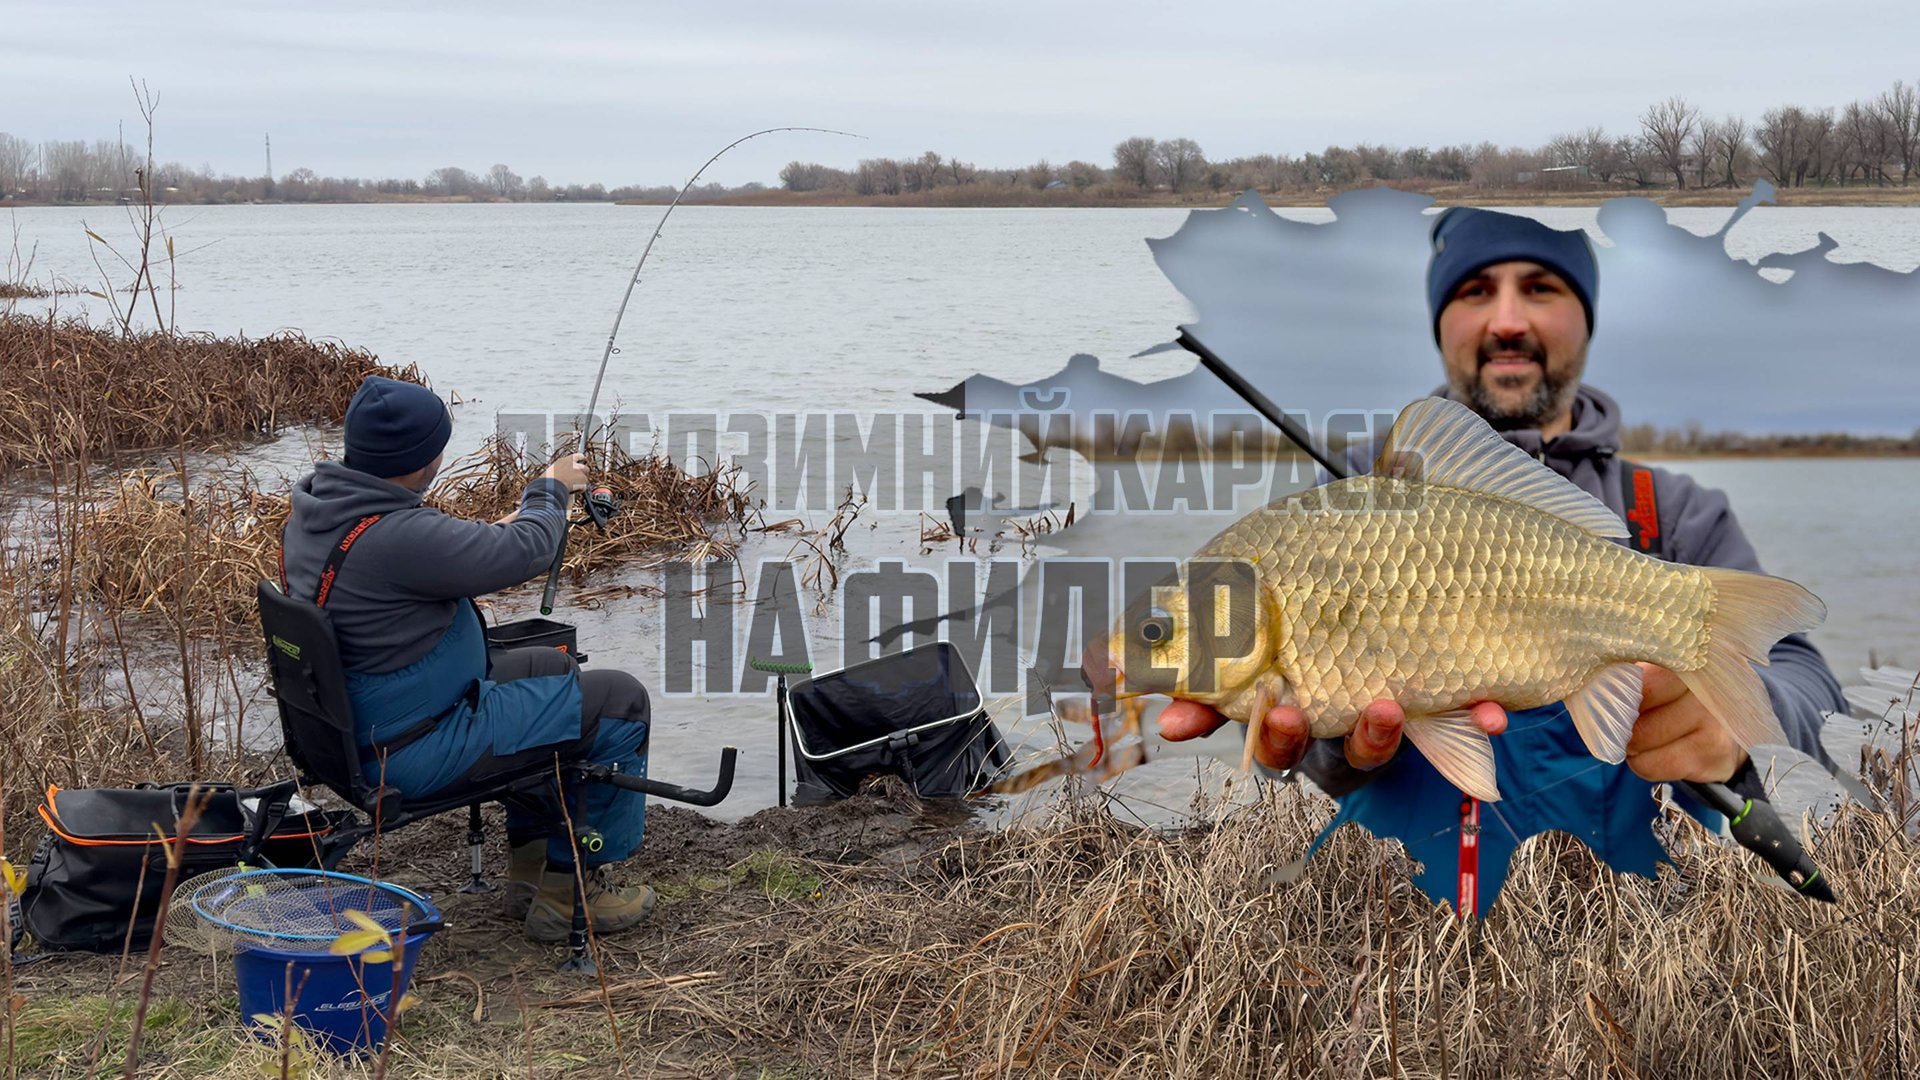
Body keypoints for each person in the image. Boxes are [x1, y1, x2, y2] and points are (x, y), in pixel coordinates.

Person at [1156, 208, 1846, 880]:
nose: (1507, 320)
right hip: (1398, 919)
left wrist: (1734, 734)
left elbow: (1813, 693)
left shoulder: (1674, 513)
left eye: (1540, 288)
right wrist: (1328, 743)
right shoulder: (1348, 503)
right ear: (1440, 321)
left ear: (1586, 316)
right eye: (1475, 290)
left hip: (1618, 917)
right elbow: (1296, 743)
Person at [282, 376, 656, 941]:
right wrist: (549, 489)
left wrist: (493, 529)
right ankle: (569, 894)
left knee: (551, 667)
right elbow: (526, 550)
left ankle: (531, 868)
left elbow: (424, 553)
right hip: (414, 748)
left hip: (366, 729)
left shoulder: (323, 511)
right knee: (620, 702)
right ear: (421, 460)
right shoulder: (400, 538)